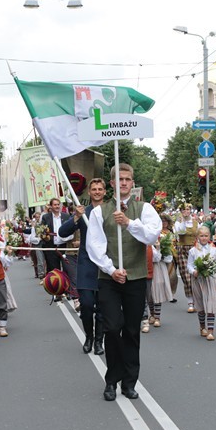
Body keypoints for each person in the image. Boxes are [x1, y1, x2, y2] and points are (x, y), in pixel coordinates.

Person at [87, 163, 161, 401]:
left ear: (133, 182)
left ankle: (129, 382)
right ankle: (111, 380)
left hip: (136, 277)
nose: (124, 183)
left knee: (131, 330)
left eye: (128, 179)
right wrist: (111, 269)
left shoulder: (145, 208)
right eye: (119, 180)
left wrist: (129, 223)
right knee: (112, 327)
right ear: (112, 183)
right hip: (109, 278)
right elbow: (95, 245)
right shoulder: (100, 211)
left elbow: (151, 235)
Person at [58, 178, 106, 355]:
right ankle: (89, 337)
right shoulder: (83, 212)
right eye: (94, 189)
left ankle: (100, 341)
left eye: (100, 189)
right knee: (86, 305)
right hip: (86, 264)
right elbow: (62, 233)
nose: (97, 192)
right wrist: (76, 217)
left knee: (102, 307)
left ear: (105, 192)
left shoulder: (110, 211)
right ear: (89, 192)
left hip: (104, 264)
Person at [186, 226, 216, 341]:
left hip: (210, 279)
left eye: (206, 236)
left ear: (209, 237)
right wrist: (194, 271)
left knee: (211, 304)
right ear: (197, 237)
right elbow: (189, 265)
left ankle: (211, 330)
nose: (204, 238)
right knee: (201, 305)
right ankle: (202, 327)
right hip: (198, 280)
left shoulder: (214, 250)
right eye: (201, 236)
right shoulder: (193, 251)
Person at [174, 203, 198, 312]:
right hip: (183, 250)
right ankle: (190, 302)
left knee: (196, 276)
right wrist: (183, 220)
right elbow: (181, 232)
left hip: (194, 250)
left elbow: (201, 235)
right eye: (184, 210)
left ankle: (197, 299)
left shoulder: (196, 223)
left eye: (188, 209)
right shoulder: (178, 223)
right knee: (186, 277)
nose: (186, 211)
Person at [40, 198, 73, 274]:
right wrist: (45, 236)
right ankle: (56, 285)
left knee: (67, 269)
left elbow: (71, 230)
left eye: (58, 204)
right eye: (55, 205)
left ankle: (67, 285)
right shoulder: (46, 217)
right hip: (52, 248)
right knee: (54, 272)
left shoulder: (66, 216)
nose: (57, 206)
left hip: (64, 247)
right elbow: (42, 231)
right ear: (51, 206)